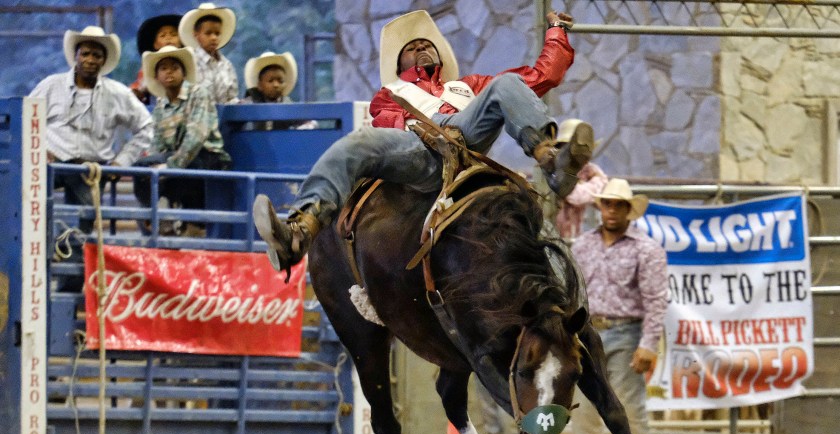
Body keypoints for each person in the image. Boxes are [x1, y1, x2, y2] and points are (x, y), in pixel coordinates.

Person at [253, 8, 594, 275]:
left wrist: (557, 32)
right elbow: (388, 124)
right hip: (421, 151)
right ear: (400, 63)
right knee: (357, 143)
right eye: (412, 48)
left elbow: (542, 76)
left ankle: (551, 160)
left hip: (468, 140)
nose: (421, 49)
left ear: (440, 55)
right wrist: (428, 130)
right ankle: (301, 229)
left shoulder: (469, 85)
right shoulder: (390, 95)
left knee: (507, 85)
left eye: (426, 45)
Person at [570, 178, 668, 434]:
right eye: (607, 203)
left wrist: (649, 344)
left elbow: (656, 301)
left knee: (630, 413)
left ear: (629, 210)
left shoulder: (647, 250)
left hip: (626, 333)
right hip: (584, 336)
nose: (612, 210)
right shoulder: (580, 246)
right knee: (582, 416)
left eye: (618, 205)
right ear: (600, 207)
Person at [29, 26, 153, 289]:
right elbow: (26, 119)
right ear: (76, 56)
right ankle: (35, 252)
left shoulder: (117, 93)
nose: (90, 60)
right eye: (85, 53)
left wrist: (122, 161)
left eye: (97, 55)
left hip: (89, 170)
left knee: (81, 227)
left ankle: (69, 286)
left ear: (103, 60)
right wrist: (39, 150)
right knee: (26, 201)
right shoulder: (51, 86)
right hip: (50, 165)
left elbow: (146, 126)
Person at [135, 45, 231, 236]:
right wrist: (155, 162)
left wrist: (169, 166)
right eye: (163, 68)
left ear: (183, 73)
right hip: (179, 159)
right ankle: (157, 216)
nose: (169, 71)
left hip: (208, 156)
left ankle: (170, 217)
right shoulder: (161, 105)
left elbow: (196, 137)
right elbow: (158, 141)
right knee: (140, 167)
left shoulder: (198, 93)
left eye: (174, 67)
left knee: (178, 172)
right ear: (157, 76)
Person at [179, 2, 239, 104]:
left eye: (217, 33)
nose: (213, 38)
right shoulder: (190, 63)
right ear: (196, 34)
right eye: (208, 33)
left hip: (224, 118)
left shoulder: (226, 65)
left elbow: (232, 97)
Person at [130, 14, 183, 104]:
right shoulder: (148, 67)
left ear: (181, 41)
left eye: (173, 34)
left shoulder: (190, 63)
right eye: (162, 35)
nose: (168, 37)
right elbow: (138, 87)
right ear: (155, 44)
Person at [555, 161, 608, 239]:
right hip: (558, 230)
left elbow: (576, 196)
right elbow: (575, 195)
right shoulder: (557, 168)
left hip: (576, 234)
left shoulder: (588, 170)